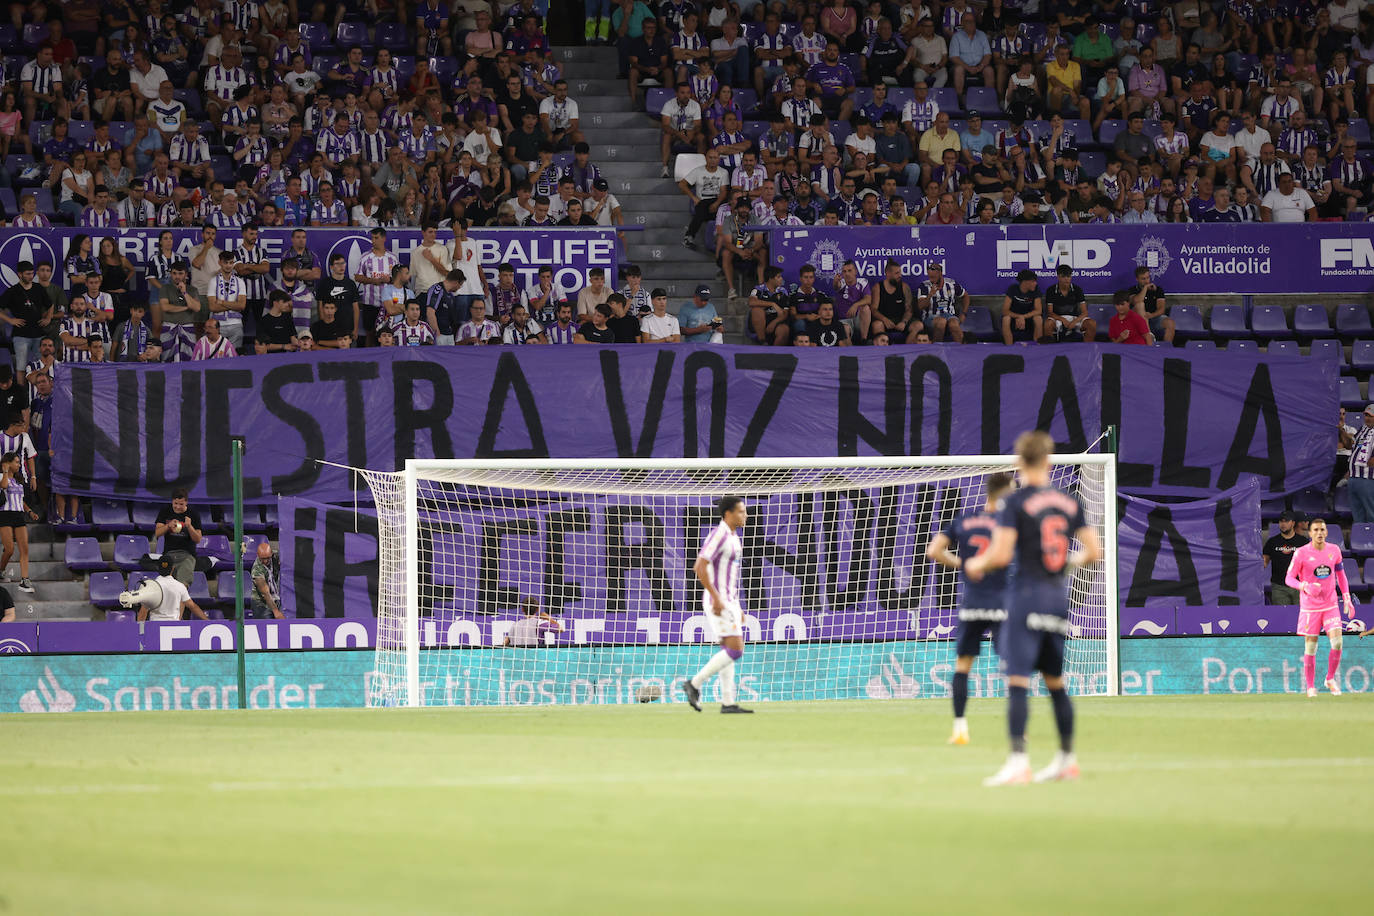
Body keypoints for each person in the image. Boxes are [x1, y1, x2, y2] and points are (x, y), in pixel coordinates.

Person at [966, 430, 1102, 785]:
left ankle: (1018, 763)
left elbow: (1000, 553)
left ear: (1018, 461)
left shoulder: (1015, 502)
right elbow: (1094, 551)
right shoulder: (1069, 502)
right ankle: (1067, 760)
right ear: (1049, 460)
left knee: (1018, 682)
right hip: (1057, 600)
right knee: (1056, 683)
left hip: (1025, 597)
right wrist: (1064, 563)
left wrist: (975, 565)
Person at [925, 471, 1015, 745]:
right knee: (1013, 667)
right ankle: (1017, 730)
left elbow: (934, 551)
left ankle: (960, 728)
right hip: (1001, 602)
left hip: (973, 602)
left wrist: (964, 565)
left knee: (963, 666)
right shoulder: (1009, 522)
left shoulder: (964, 520)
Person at [680, 496, 753, 714]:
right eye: (741, 511)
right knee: (736, 650)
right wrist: (717, 597)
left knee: (728, 650)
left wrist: (737, 605)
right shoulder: (719, 534)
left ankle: (728, 703)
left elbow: (729, 577)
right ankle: (694, 683)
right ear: (728, 514)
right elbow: (699, 566)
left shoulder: (733, 537)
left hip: (729, 600)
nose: (745, 515)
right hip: (718, 601)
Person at [1285, 518, 1354, 697]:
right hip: (1310, 608)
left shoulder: (1334, 550)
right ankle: (1310, 687)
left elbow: (1341, 574)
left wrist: (1346, 597)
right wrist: (1304, 586)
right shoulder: (1301, 553)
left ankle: (1330, 678)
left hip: (1330, 604)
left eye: (1322, 529)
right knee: (1310, 648)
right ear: (1310, 533)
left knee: (1338, 642)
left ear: (1327, 532)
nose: (1319, 533)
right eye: (1315, 530)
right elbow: (1289, 578)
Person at [132, 556, 208, 621]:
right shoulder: (180, 586)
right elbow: (192, 606)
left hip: (155, 626)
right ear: (172, 568)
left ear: (158, 567)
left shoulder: (150, 587)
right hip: (173, 627)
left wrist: (140, 632)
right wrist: (208, 621)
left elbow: (143, 613)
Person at [0, 450, 33, 593]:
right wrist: (5, 471)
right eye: (17, 462)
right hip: (5, 515)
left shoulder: (19, 480)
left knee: (24, 548)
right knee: (9, 549)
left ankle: (24, 580)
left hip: (19, 515)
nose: (19, 465)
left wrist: (29, 511)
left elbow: (20, 500)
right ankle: (1, 570)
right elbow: (4, 486)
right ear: (8, 463)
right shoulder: (2, 477)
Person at [155, 488, 203, 586]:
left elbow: (198, 539)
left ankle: (182, 600)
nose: (177, 507)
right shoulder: (165, 511)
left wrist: (189, 527)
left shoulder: (193, 514)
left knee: (182, 585)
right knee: (165, 585)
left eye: (181, 504)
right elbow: (157, 533)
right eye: (175, 503)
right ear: (172, 501)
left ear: (186, 502)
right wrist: (168, 526)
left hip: (187, 555)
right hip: (168, 553)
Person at [1264, 510, 1310, 606]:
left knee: (1301, 615)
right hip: (1279, 586)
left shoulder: (1303, 542)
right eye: (1281, 521)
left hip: (1299, 585)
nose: (1283, 524)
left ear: (1293, 523)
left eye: (1286, 521)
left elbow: (1310, 563)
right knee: (1282, 616)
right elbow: (1264, 563)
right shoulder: (1272, 542)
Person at [1348, 404, 1374, 524]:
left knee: (1371, 512)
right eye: (1366, 415)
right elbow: (1352, 445)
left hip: (1367, 478)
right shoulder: (1363, 429)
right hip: (1354, 477)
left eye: (1371, 416)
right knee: (1357, 513)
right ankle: (1361, 540)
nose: (1367, 418)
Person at [1001, 269, 1042, 344]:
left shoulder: (1036, 290)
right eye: (1033, 281)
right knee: (1006, 319)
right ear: (1025, 282)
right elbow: (1005, 311)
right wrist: (1018, 317)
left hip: (1029, 319)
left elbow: (1039, 310)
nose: (1035, 283)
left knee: (1038, 318)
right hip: (1014, 318)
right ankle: (1009, 347)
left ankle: (1038, 346)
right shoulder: (1012, 289)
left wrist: (1023, 317)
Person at [250, 541, 284, 620]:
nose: (265, 561)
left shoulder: (276, 556)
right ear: (258, 555)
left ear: (271, 554)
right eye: (263, 559)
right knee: (266, 626)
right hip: (261, 603)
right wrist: (276, 612)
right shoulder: (256, 570)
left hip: (276, 598)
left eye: (268, 558)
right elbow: (265, 593)